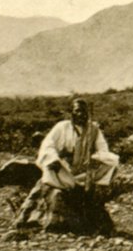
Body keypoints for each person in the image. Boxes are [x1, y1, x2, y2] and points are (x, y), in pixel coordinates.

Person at [16, 98, 119, 230]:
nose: (81, 114)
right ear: (72, 113)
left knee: (112, 161)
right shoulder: (62, 127)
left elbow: (104, 150)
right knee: (50, 175)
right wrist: (54, 159)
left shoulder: (94, 130)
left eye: (84, 111)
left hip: (84, 171)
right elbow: (47, 145)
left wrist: (95, 158)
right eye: (78, 111)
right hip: (63, 169)